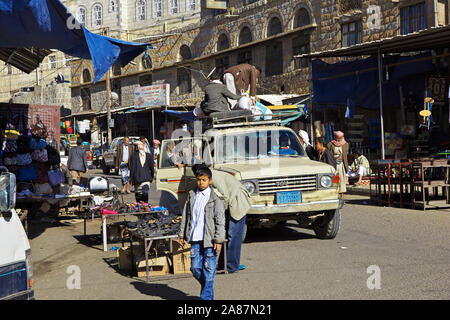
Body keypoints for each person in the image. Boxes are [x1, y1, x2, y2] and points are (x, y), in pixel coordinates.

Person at [193, 164, 252, 274]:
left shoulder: (214, 177)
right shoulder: (210, 176)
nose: (200, 182)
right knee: (227, 236)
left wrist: (218, 212)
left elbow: (224, 196)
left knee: (233, 236)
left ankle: (231, 266)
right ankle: (223, 264)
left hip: (238, 201)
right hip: (232, 201)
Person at [178, 166, 226, 300]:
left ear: (210, 181)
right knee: (195, 268)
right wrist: (181, 235)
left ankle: (205, 298)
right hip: (194, 238)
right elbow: (185, 216)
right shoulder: (192, 195)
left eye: (204, 180)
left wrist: (219, 240)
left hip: (210, 241)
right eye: (199, 180)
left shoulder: (215, 199)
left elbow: (220, 221)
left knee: (209, 271)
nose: (201, 183)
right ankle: (207, 288)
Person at [327, 131, 349, 198]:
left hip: (341, 165)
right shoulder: (330, 144)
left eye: (341, 138)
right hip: (334, 165)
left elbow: (345, 155)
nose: (339, 139)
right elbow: (329, 154)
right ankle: (336, 195)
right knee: (335, 179)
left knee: (342, 180)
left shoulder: (345, 144)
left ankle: (342, 196)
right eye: (338, 138)